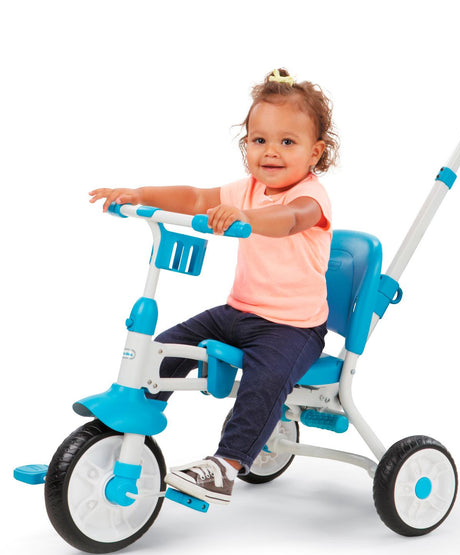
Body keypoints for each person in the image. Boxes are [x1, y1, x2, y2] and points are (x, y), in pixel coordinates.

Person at [89, 68, 339, 505]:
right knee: (166, 347)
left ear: (315, 152)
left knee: (264, 382)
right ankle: (128, 423)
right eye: (259, 140)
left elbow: (288, 221)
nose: (271, 152)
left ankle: (227, 464)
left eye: (287, 142)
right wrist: (140, 194)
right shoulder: (247, 189)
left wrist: (247, 218)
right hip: (238, 312)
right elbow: (195, 198)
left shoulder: (310, 198)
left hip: (293, 327)